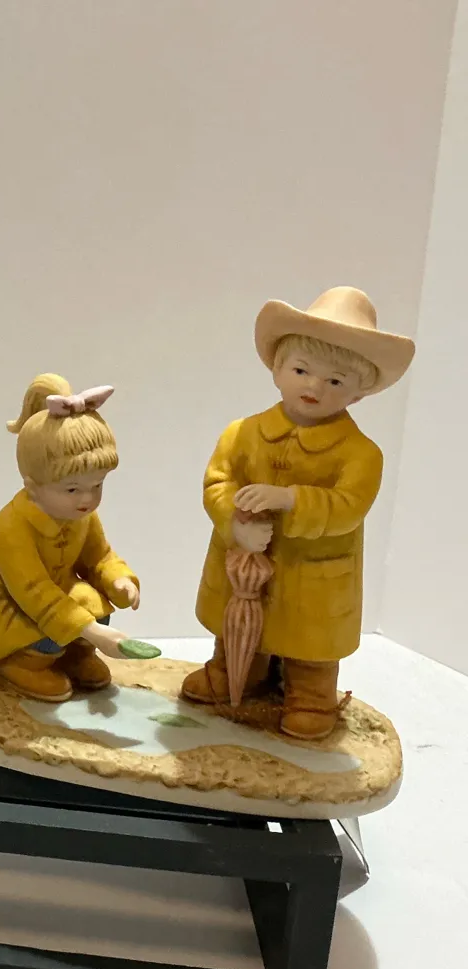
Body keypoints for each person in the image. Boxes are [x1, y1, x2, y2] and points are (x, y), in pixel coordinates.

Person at [182, 287, 414, 738]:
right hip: (242, 565)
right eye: (301, 370)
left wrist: (291, 499)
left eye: (336, 381)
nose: (314, 387)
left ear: (359, 394)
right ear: (277, 369)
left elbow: (348, 507)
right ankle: (233, 670)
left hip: (315, 577)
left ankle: (311, 694)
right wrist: (236, 524)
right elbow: (217, 482)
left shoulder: (361, 454)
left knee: (311, 642)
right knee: (237, 627)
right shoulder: (242, 432)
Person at [0, 376, 141, 701]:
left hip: (59, 601)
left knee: (95, 601)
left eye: (97, 485)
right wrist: (92, 631)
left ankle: (76, 655)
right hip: (14, 616)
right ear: (33, 487)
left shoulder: (81, 516)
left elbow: (100, 557)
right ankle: (23, 664)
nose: (87, 499)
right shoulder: (11, 530)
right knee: (48, 628)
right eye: (72, 489)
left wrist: (118, 580)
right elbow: (36, 595)